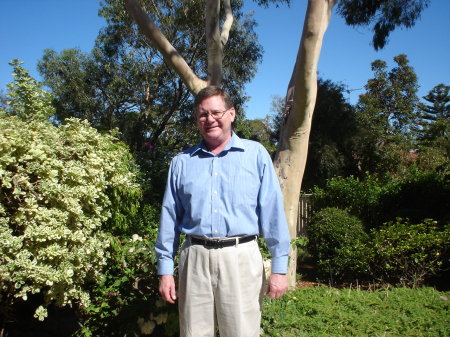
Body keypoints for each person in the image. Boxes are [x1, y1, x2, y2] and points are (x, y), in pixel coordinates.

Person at [155, 86, 290, 337]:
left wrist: (280, 269)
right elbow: (169, 217)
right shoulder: (182, 162)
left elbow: (272, 214)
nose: (209, 119)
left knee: (241, 332)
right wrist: (165, 270)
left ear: (232, 114)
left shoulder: (255, 155)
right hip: (194, 258)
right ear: (197, 119)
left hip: (241, 257)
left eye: (216, 112)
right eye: (202, 114)